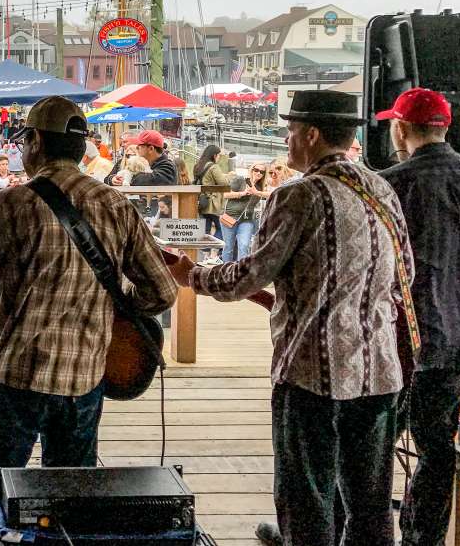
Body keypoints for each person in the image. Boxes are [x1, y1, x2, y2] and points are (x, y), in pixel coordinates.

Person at [0, 96, 176, 486]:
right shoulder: (116, 204)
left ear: (36, 142)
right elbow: (161, 291)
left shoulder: (10, 204)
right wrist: (117, 304)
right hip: (84, 376)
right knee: (71, 497)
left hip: (18, 375)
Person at [168, 90, 411, 546]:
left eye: (292, 131)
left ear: (313, 135)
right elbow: (406, 275)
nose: (288, 139)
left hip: (312, 373)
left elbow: (248, 275)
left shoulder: (297, 196)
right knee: (371, 504)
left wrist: (192, 276)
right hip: (380, 373)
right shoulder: (382, 190)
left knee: (307, 497)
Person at [377, 88, 460, 546]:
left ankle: (361, 532)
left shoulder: (389, 184)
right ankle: (423, 539)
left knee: (373, 446)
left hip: (399, 337)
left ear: (401, 128)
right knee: (437, 446)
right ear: (447, 128)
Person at [219, 163, 265, 263]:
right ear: (251, 170)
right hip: (230, 217)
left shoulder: (259, 188)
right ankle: (226, 272)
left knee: (244, 246)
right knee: (228, 247)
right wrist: (242, 193)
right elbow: (225, 194)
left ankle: (240, 274)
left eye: (262, 172)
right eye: (256, 170)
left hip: (247, 220)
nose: (258, 173)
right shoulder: (241, 180)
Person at [193, 144, 229, 249]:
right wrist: (229, 176)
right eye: (219, 155)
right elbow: (223, 183)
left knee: (205, 231)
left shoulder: (198, 166)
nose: (219, 158)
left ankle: (205, 255)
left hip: (202, 201)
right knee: (221, 228)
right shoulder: (213, 167)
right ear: (214, 155)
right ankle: (213, 251)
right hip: (213, 203)